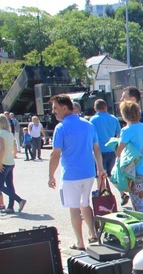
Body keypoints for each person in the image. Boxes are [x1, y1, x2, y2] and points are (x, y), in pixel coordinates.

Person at [47, 94, 105, 250]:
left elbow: (56, 154)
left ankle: (80, 242)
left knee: (74, 208)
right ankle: (92, 233)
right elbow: (96, 148)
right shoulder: (88, 125)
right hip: (88, 173)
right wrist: (100, 168)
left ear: (65, 108)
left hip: (71, 175)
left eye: (55, 108)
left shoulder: (61, 128)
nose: (54, 112)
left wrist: (51, 175)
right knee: (85, 204)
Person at [114, 101, 143, 213]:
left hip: (136, 172)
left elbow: (119, 151)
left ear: (124, 114)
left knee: (138, 206)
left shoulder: (127, 130)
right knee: (141, 201)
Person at [0, 113, 25, 214]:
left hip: (4, 162)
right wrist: (12, 155)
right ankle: (10, 207)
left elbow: (2, 148)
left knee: (0, 186)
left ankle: (20, 200)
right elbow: (14, 148)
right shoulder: (9, 133)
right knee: (10, 185)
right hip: (10, 162)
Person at [89, 99, 121, 177]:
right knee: (112, 177)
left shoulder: (93, 120)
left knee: (101, 177)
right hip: (112, 151)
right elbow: (119, 134)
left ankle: (102, 189)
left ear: (95, 108)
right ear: (106, 107)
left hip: (99, 152)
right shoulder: (114, 118)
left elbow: (90, 136)